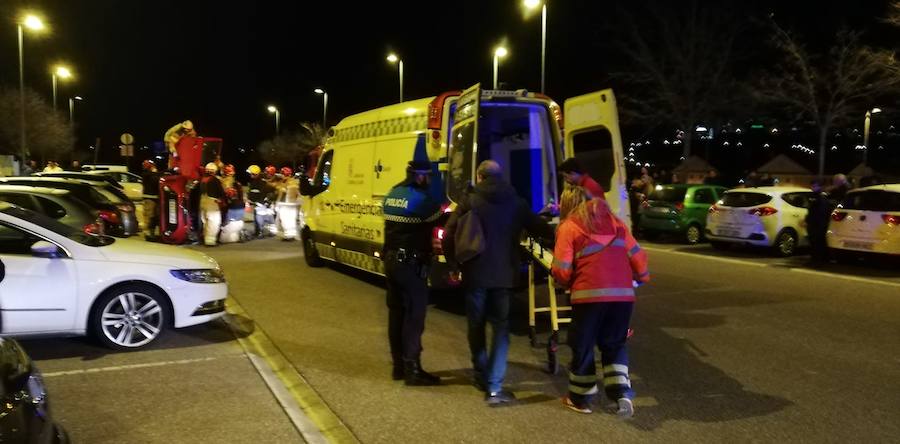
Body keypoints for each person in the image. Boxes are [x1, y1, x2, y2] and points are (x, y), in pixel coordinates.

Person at [443, 160, 553, 406]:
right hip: (504, 276)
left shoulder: (469, 200)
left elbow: (449, 233)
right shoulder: (516, 202)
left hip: (474, 274)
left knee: (476, 325)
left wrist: (453, 264)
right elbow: (543, 229)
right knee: (501, 328)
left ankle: (480, 374)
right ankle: (494, 387)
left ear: (479, 176)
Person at [551, 194, 649, 418]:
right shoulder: (617, 224)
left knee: (583, 344)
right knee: (615, 343)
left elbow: (562, 269)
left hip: (589, 296)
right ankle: (621, 393)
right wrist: (642, 277)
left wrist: (566, 281)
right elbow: (638, 256)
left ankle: (580, 399)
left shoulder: (570, 226)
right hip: (623, 297)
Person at [382, 158, 444, 386]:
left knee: (396, 314)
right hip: (411, 264)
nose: (429, 180)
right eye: (428, 176)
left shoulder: (392, 193)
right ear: (420, 176)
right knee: (414, 317)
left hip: (391, 261)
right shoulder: (422, 200)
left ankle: (398, 367)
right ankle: (413, 370)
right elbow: (440, 216)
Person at [805, 180, 831, 267]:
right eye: (812, 186)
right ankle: (817, 259)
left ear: (819, 187)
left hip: (818, 224)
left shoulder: (821, 198)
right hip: (813, 224)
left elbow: (822, 213)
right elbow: (811, 211)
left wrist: (821, 225)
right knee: (814, 242)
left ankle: (818, 260)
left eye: (815, 186)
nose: (813, 188)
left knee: (818, 242)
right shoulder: (813, 197)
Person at [199, 163, 225, 246]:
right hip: (212, 203)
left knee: (205, 222)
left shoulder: (202, 179)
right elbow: (221, 192)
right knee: (213, 222)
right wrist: (222, 199)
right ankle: (210, 241)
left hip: (202, 201)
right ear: (214, 171)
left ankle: (205, 237)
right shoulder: (215, 180)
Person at [246, 164, 275, 237]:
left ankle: (260, 232)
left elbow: (260, 193)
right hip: (260, 203)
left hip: (261, 203)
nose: (250, 175)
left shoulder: (260, 182)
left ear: (255, 174)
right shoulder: (256, 181)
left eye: (251, 173)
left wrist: (257, 201)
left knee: (260, 218)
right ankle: (260, 231)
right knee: (261, 217)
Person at [219, 164, 245, 243]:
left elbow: (225, 196)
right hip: (239, 207)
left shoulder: (225, 183)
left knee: (226, 224)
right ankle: (237, 236)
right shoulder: (237, 184)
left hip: (230, 207)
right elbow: (241, 196)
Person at [274, 166, 301, 241]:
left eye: (282, 174)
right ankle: (288, 235)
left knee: (288, 221)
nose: (282, 176)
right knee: (285, 221)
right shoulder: (287, 182)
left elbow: (297, 194)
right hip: (286, 204)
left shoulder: (291, 182)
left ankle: (290, 236)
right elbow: (281, 193)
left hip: (289, 205)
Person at [141, 159, 162, 240]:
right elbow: (155, 181)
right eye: (152, 166)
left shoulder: (150, 174)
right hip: (149, 199)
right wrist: (156, 172)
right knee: (149, 217)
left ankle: (152, 233)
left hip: (154, 198)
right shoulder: (147, 174)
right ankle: (148, 234)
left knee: (154, 217)